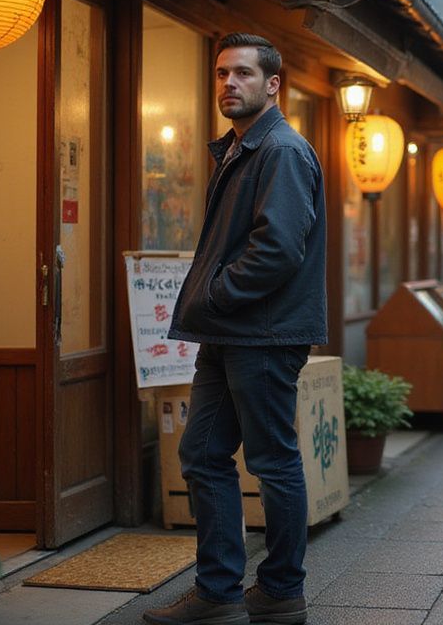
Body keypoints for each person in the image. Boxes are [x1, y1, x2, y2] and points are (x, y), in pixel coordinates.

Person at [147, 33, 326, 625]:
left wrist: (217, 296)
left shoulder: (280, 150)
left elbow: (277, 248)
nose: (229, 84)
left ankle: (280, 591)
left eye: (244, 74)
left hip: (263, 333)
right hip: (230, 332)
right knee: (200, 453)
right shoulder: (240, 148)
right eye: (222, 73)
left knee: (272, 460)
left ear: (273, 84)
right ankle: (218, 592)